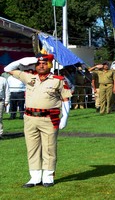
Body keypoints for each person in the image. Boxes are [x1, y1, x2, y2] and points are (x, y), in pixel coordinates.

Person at [4, 54, 71, 187]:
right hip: (30, 118)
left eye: (44, 63)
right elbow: (7, 69)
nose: (41, 65)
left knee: (49, 148)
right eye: (39, 63)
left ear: (50, 65)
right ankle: (34, 177)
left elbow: (65, 100)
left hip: (49, 118)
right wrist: (21, 61)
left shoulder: (58, 80)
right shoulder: (29, 77)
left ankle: (48, 176)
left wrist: (65, 118)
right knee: (32, 148)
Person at [0, 74, 9, 138]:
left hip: (0, 101)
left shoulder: (3, 80)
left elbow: (7, 90)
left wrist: (6, 101)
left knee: (0, 117)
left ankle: (0, 133)